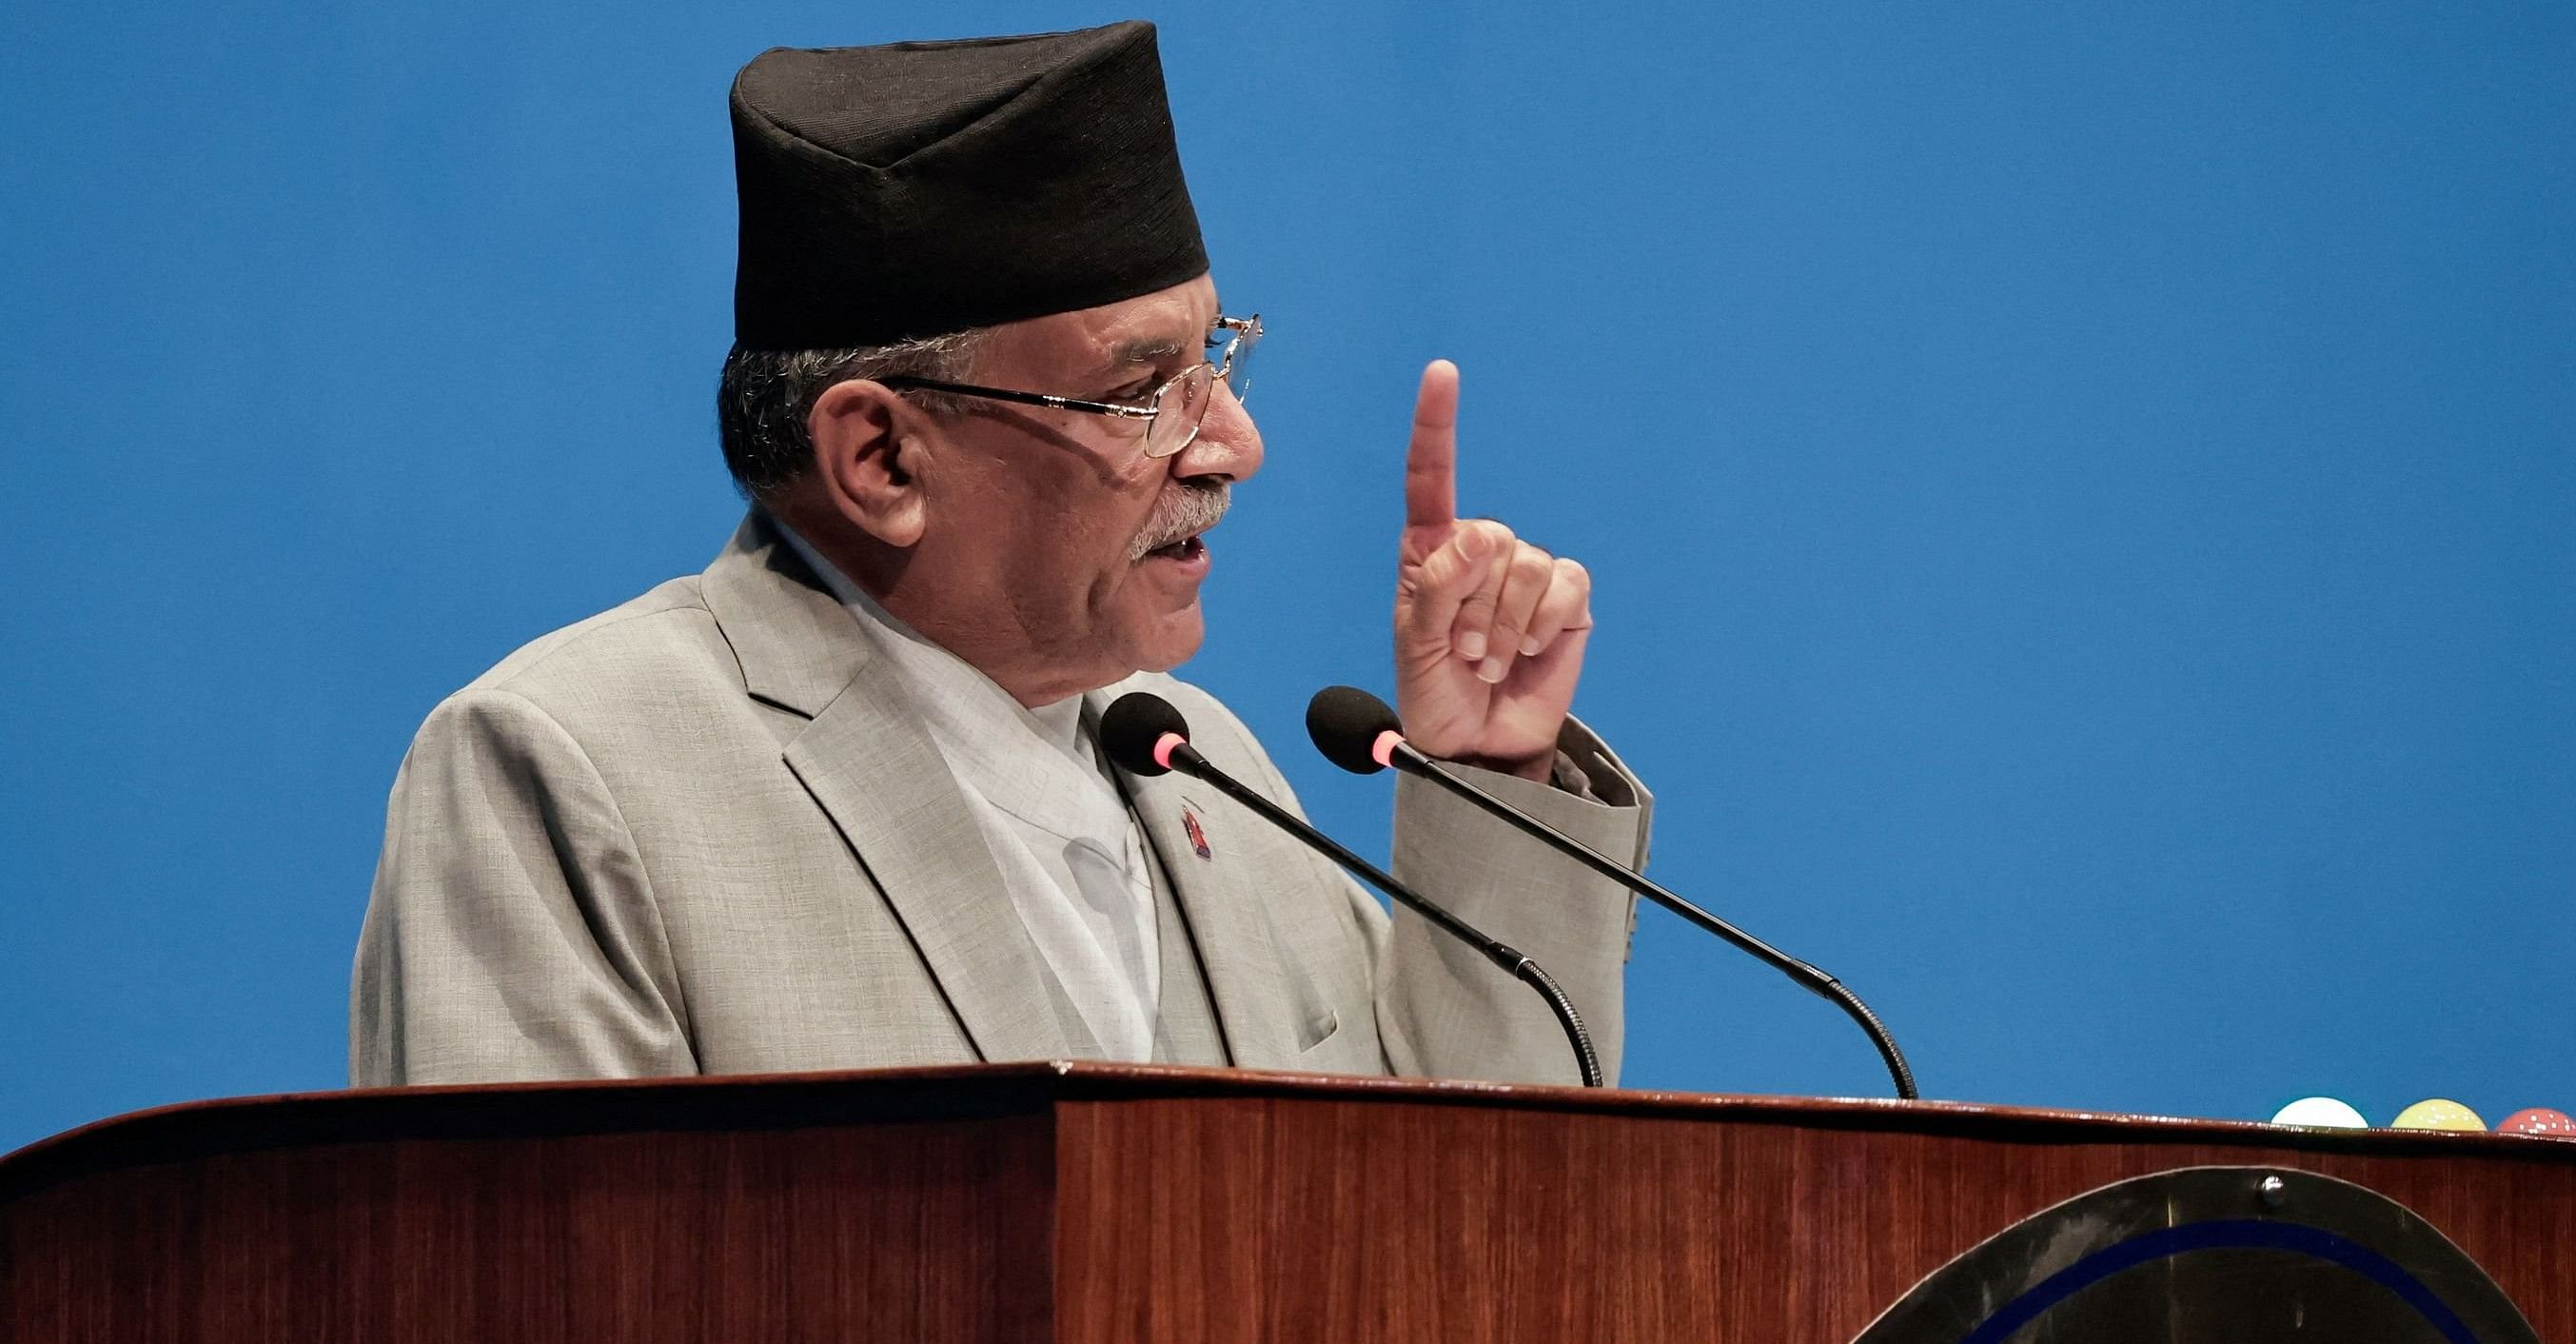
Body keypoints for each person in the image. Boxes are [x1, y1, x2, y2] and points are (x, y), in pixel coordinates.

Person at [350, 21, 1651, 1086]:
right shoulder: (570, 777)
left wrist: (1491, 780)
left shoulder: (1210, 774)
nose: (1233, 444)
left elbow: (1469, 1245)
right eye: (1144, 385)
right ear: (883, 461)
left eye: (1216, 356)